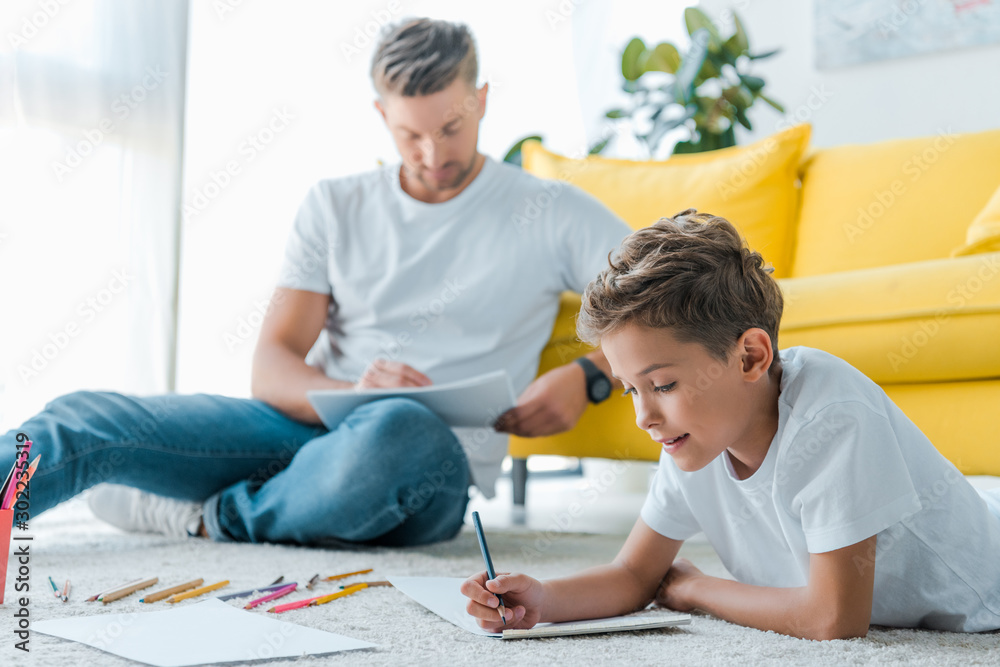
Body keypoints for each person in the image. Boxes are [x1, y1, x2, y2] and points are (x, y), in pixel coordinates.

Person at [0, 18, 630, 547]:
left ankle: (205, 516)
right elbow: (272, 368)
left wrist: (591, 375)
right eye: (410, 135)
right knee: (89, 418)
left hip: (425, 466)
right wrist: (352, 389)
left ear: (482, 100)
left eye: (451, 129)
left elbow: (670, 301)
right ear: (381, 114)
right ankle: (257, 503)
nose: (434, 155)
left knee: (400, 430)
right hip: (307, 433)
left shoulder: (552, 212)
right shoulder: (336, 205)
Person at [461, 210, 1000, 638]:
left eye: (663, 385)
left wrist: (698, 590)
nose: (644, 416)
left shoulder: (833, 418)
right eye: (631, 390)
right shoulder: (693, 436)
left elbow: (833, 620)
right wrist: (542, 599)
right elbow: (633, 576)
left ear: (750, 358)